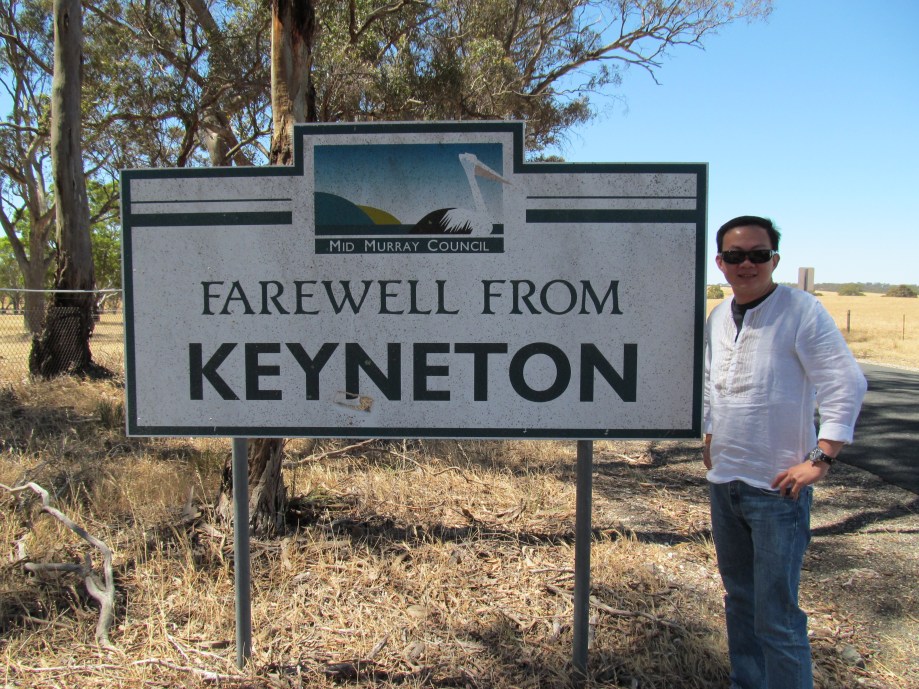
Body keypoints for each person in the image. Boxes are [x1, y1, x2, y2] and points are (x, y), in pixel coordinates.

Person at [702, 215, 867, 689]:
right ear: (721, 262)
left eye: (758, 254)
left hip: (778, 490)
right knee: (740, 601)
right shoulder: (718, 317)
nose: (747, 264)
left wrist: (822, 457)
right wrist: (710, 433)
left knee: (777, 616)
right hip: (725, 483)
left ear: (774, 259)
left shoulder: (801, 310)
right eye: (735, 256)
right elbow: (713, 382)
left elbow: (845, 382)